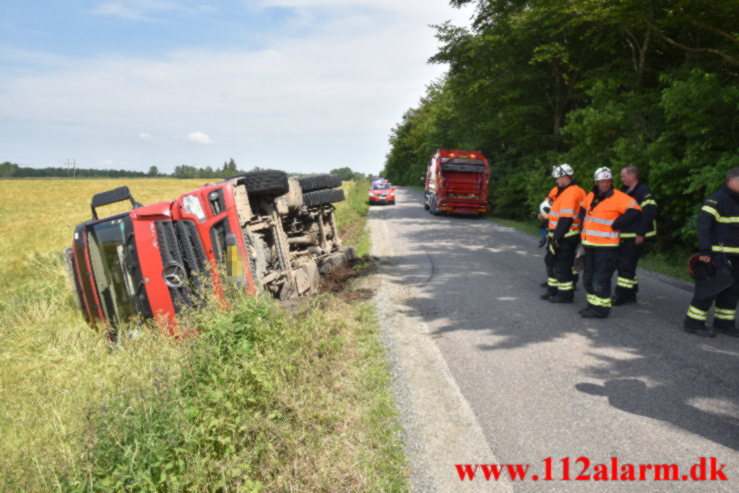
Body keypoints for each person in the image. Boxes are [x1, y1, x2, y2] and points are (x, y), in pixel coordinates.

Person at [579, 167, 642, 318]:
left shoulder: (619, 197)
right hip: (589, 245)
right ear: (596, 182)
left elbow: (636, 210)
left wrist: (617, 223)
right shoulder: (591, 196)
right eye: (602, 181)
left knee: (601, 278)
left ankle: (601, 309)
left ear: (610, 181)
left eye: (607, 181)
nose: (605, 184)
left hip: (607, 247)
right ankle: (592, 305)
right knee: (588, 278)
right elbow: (582, 209)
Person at [683, 168, 739, 337]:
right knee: (709, 289)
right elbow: (704, 226)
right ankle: (693, 323)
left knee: (731, 291)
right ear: (731, 181)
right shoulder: (716, 200)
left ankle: (724, 324)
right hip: (717, 255)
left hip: (736, 257)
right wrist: (705, 251)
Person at [540, 164, 586, 303]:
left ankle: (565, 295)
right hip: (562, 234)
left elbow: (566, 218)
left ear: (566, 177)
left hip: (566, 236)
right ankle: (553, 290)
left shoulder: (571, 193)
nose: (556, 180)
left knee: (562, 265)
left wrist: (557, 238)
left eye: (558, 178)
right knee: (552, 261)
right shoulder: (566, 191)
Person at [614, 166, 658, 305]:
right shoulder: (625, 191)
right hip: (625, 235)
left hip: (636, 235)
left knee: (626, 265)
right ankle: (631, 293)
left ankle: (621, 295)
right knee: (626, 264)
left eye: (623, 176)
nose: (621, 179)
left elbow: (648, 214)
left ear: (632, 176)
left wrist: (641, 233)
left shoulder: (643, 192)